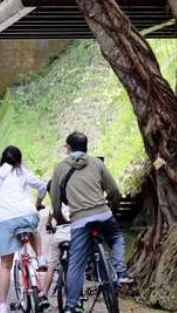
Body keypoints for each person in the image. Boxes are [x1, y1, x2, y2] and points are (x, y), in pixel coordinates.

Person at [48, 132, 132, 313]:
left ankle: (71, 306)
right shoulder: (97, 163)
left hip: (79, 220)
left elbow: (55, 199)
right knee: (116, 238)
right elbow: (114, 190)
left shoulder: (60, 168)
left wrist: (59, 217)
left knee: (76, 263)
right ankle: (120, 271)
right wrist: (113, 206)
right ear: (86, 146)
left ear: (68, 147)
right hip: (103, 214)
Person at [0, 145, 48, 313]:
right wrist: (38, 203)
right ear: (19, 160)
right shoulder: (22, 172)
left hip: (5, 220)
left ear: (2, 158)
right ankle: (40, 258)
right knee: (33, 229)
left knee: (5, 265)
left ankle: (2, 304)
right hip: (27, 215)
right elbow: (42, 187)